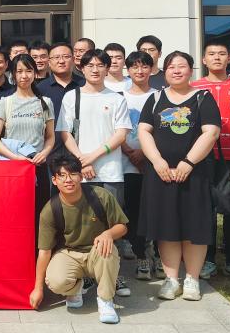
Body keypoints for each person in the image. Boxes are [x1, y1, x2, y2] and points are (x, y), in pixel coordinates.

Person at [137, 51, 221, 302]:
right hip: (161, 174)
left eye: (182, 66)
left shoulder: (203, 98)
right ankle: (171, 279)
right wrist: (157, 161)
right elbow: (144, 131)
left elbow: (211, 132)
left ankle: (192, 279)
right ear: (165, 71)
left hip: (194, 174)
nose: (176, 70)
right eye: (171, 66)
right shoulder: (155, 98)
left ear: (191, 70)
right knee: (167, 226)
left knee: (195, 226)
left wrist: (188, 162)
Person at [56, 48, 132, 298]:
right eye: (90, 65)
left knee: (112, 225)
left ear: (108, 68)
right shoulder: (72, 97)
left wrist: (93, 157)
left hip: (110, 172)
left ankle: (114, 274)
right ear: (82, 68)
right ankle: (88, 274)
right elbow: (65, 133)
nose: (95, 69)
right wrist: (82, 161)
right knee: (82, 225)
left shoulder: (117, 98)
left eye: (101, 65)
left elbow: (121, 134)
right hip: (80, 172)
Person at [30, 153, 129, 324]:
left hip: (97, 251)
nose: (68, 180)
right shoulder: (50, 209)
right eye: (62, 175)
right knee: (55, 281)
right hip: (69, 253)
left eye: (73, 174)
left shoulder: (100, 196)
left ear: (81, 176)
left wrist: (108, 234)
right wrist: (38, 288)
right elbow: (44, 252)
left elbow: (123, 226)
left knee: (107, 248)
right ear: (54, 180)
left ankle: (105, 300)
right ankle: (76, 288)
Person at [191, 40, 230, 282]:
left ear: (229, 58)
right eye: (211, 54)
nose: (217, 58)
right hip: (203, 158)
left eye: (222, 53)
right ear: (204, 60)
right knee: (206, 210)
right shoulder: (194, 87)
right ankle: (208, 259)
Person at [0, 54, 55, 225]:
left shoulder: (45, 102)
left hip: (38, 166)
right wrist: (15, 158)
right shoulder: (6, 102)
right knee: (12, 214)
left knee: (38, 214)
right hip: (12, 167)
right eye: (19, 71)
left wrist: (44, 154)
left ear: (35, 73)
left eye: (28, 71)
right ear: (13, 74)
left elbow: (50, 137)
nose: (24, 75)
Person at [121, 51, 155, 280]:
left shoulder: (160, 96)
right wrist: (130, 152)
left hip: (152, 164)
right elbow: (115, 128)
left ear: (151, 69)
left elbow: (162, 130)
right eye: (134, 67)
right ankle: (141, 255)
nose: (139, 71)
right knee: (132, 212)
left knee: (152, 212)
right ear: (128, 70)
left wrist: (144, 153)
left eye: (144, 66)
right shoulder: (119, 97)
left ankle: (155, 255)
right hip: (125, 164)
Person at [36, 42, 85, 126]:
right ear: (49, 62)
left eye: (66, 57)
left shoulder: (84, 84)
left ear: (73, 60)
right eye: (56, 57)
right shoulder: (40, 89)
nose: (61, 61)